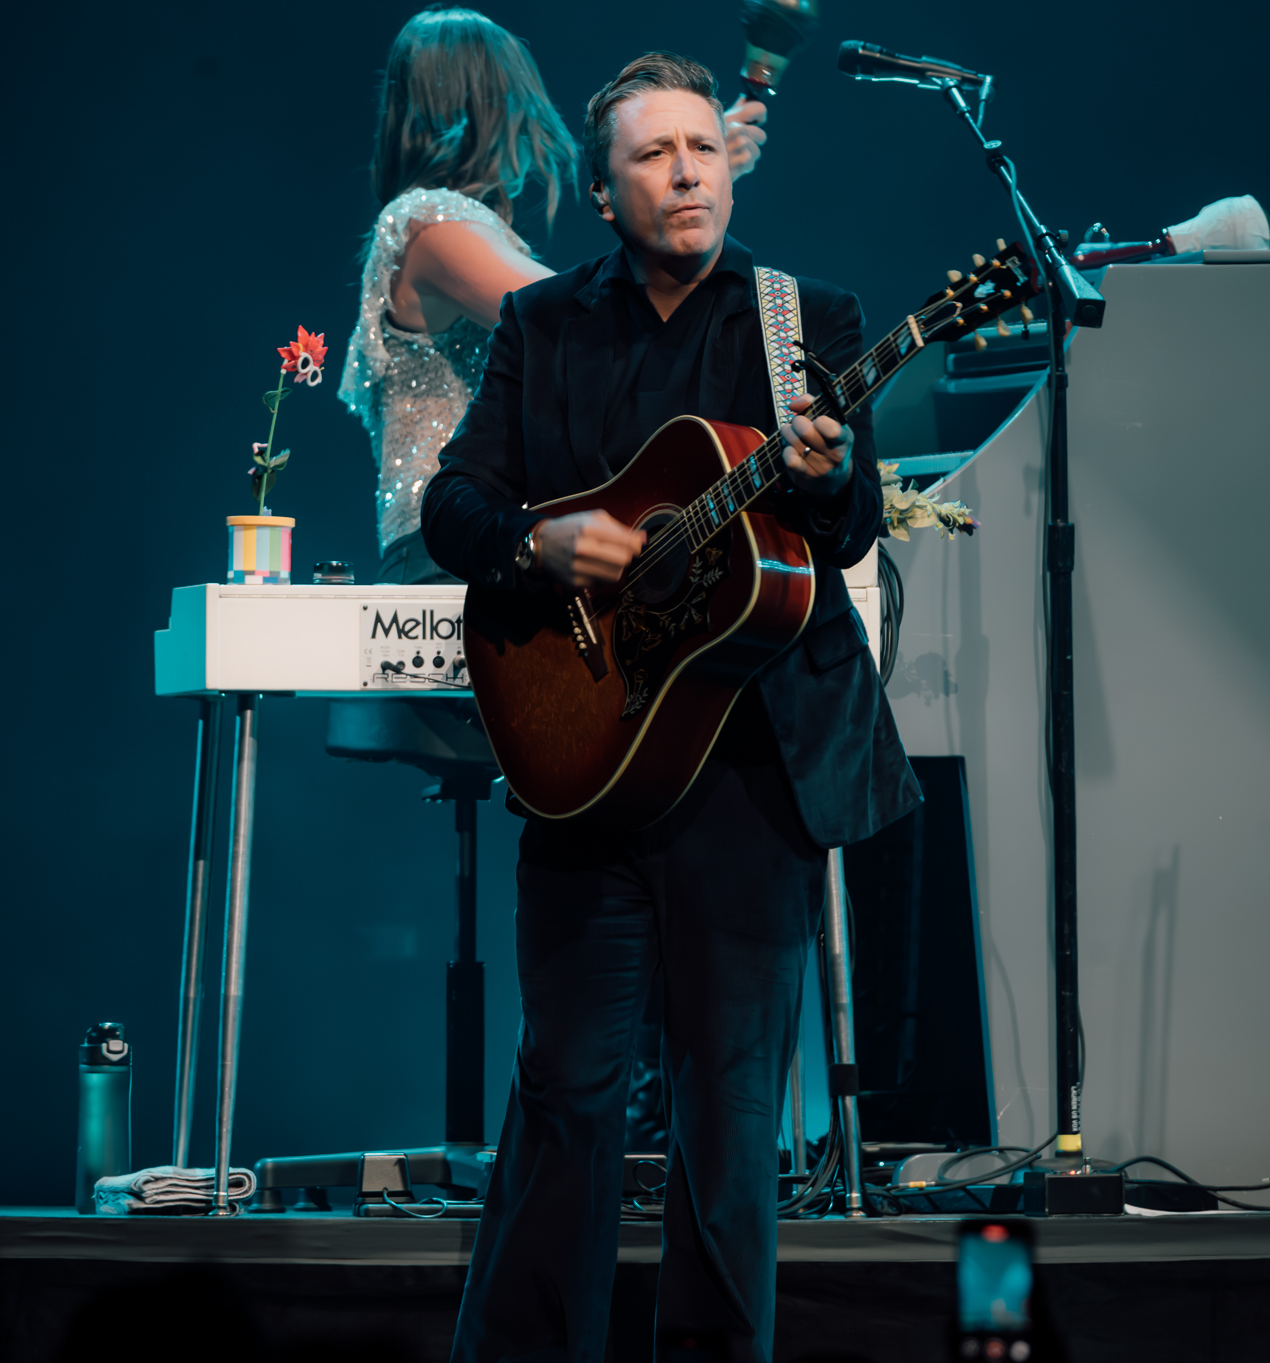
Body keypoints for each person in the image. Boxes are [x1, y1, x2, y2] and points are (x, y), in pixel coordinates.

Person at [422, 51, 920, 1363]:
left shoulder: (803, 318)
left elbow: (846, 530)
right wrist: (535, 541)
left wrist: (829, 473)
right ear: (604, 191)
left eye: (703, 147)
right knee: (564, 1088)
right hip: (586, 758)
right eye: (653, 153)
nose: (686, 171)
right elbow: (453, 501)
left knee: (728, 1117)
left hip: (748, 769)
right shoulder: (544, 325)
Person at [337, 6, 767, 585]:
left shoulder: (454, 222)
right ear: (489, 103)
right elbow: (579, 314)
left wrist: (682, 174)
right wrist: (692, 182)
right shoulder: (430, 223)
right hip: (459, 549)